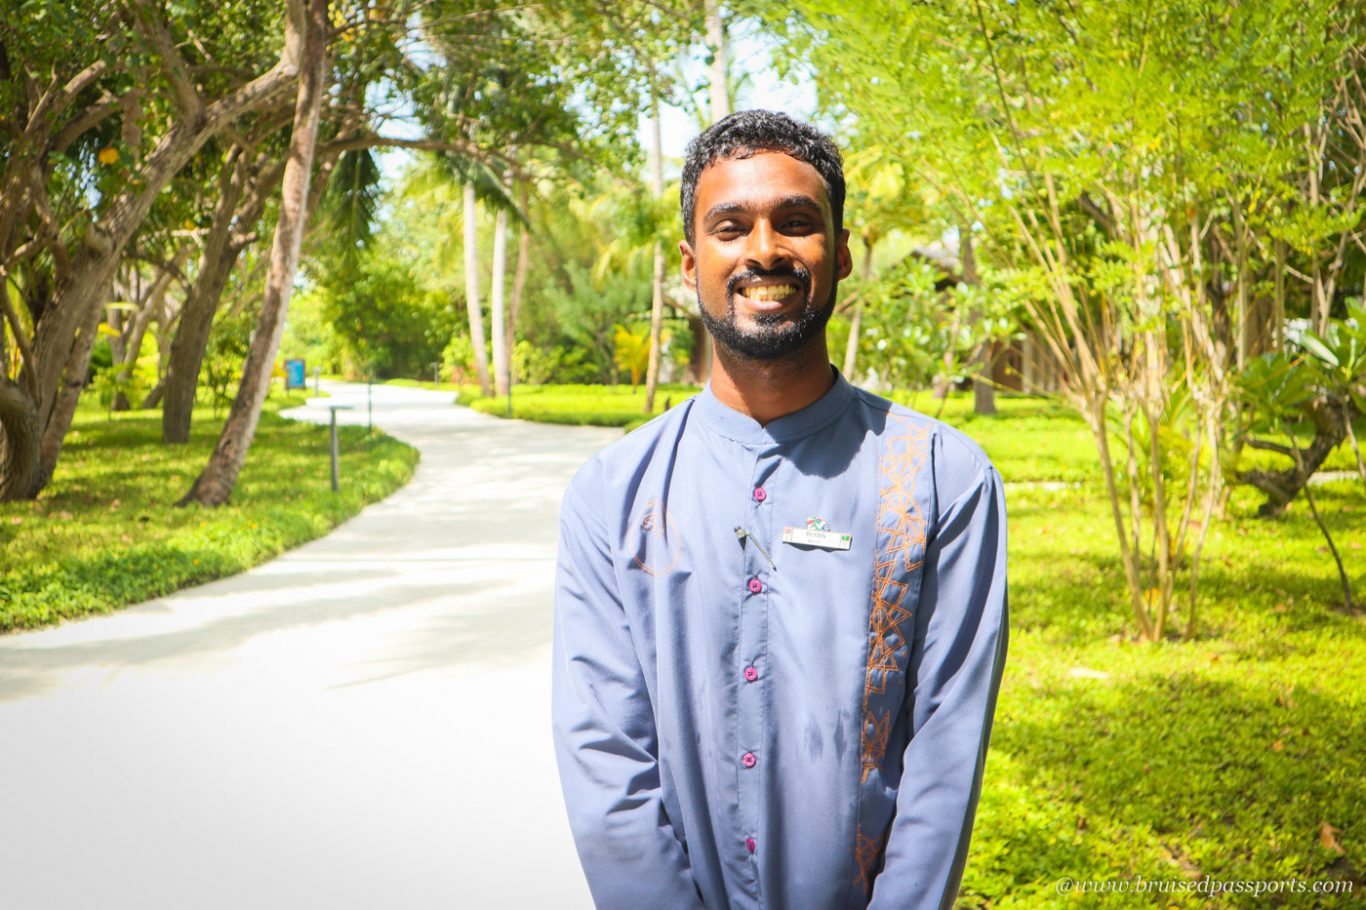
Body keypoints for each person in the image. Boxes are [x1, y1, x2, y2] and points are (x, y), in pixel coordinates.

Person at [552, 110, 1008, 910]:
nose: (764, 250)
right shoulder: (614, 492)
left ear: (843, 255)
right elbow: (606, 761)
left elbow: (947, 754)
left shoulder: (941, 478)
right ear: (693, 263)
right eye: (732, 227)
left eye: (796, 223)